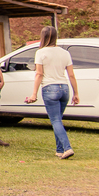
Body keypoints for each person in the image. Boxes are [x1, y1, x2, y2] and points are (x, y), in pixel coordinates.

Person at [24, 25, 80, 159]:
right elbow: (71, 75)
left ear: (42, 37)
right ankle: (59, 150)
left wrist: (34, 94)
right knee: (58, 120)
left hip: (50, 89)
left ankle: (67, 148)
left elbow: (39, 74)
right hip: (64, 89)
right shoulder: (65, 53)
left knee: (55, 120)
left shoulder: (41, 53)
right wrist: (76, 93)